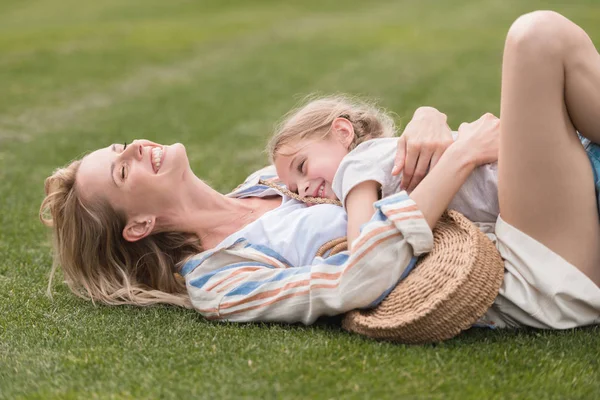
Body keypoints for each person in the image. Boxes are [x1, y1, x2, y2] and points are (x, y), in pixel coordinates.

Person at [40, 11, 600, 329]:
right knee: (537, 39)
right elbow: (356, 279)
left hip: (523, 213)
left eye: (120, 146)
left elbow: (371, 155)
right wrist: (458, 158)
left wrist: (427, 121)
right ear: (137, 225)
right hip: (529, 272)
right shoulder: (219, 282)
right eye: (121, 170)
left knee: (550, 58)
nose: (135, 147)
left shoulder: (269, 182)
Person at [267, 95, 500, 249]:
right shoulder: (384, 158)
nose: (304, 188)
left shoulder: (356, 163)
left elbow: (365, 248)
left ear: (342, 132)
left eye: (302, 167)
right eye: (295, 189)